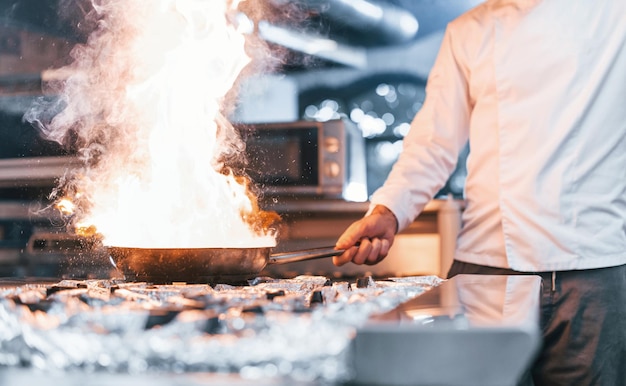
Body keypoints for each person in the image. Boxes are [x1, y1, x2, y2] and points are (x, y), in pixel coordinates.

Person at [333, 1, 626, 385]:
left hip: (592, 269)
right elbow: (434, 143)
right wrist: (388, 212)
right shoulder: (468, 30)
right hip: (486, 267)